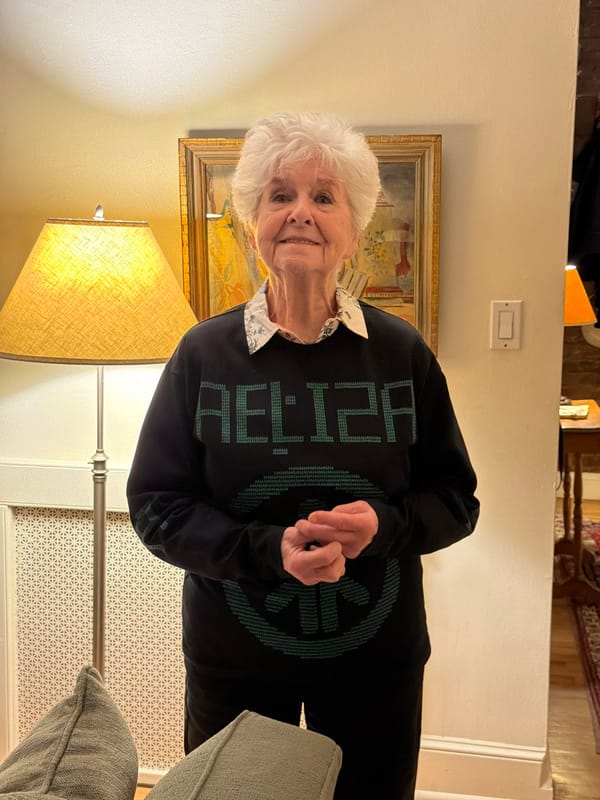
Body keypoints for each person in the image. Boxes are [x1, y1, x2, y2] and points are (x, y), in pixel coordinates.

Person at [126, 111, 479, 800]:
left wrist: (384, 527)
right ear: (252, 219)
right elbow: (158, 507)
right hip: (236, 664)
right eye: (279, 195)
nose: (300, 214)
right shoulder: (203, 354)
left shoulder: (401, 354)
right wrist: (269, 552)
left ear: (354, 227)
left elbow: (455, 499)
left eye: (324, 196)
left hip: (377, 662)